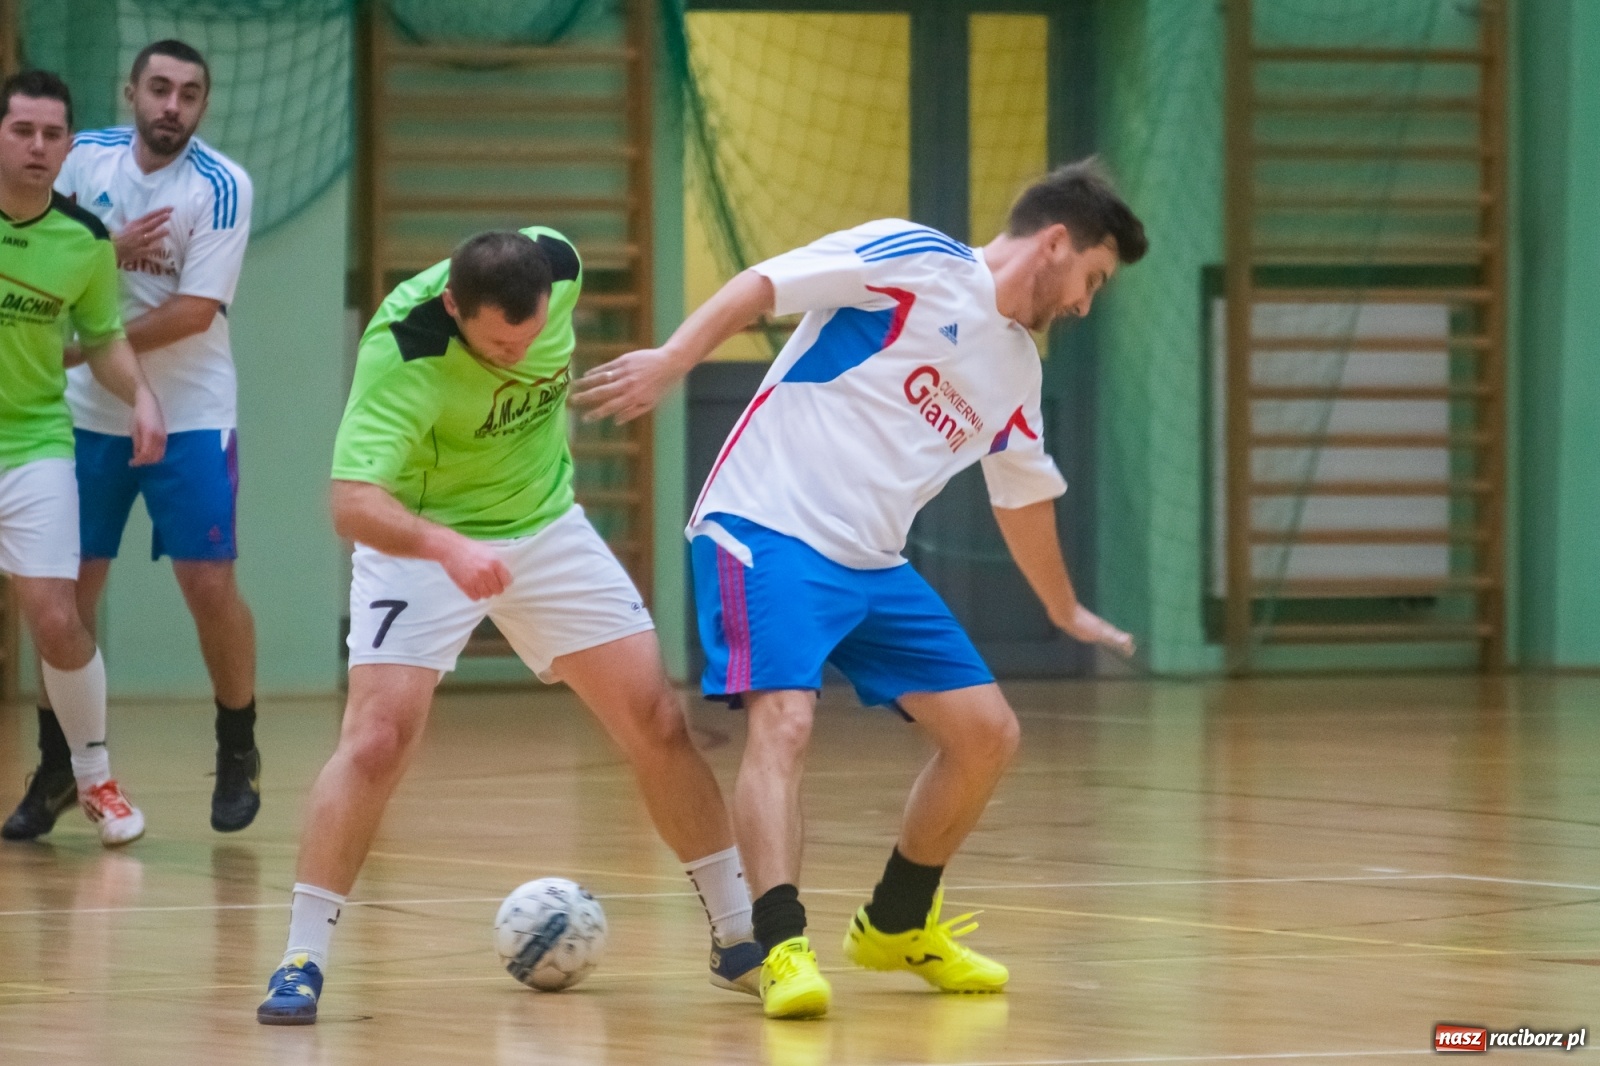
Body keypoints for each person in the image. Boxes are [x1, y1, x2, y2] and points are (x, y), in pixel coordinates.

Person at [572, 159, 1147, 1019]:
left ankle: (897, 923)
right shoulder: (915, 259)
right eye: (1092, 280)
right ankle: (781, 946)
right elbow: (764, 286)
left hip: (872, 561)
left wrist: (1063, 609)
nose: (1085, 305)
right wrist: (674, 358)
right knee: (785, 719)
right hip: (765, 524)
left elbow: (1023, 496)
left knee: (987, 734)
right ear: (1056, 243)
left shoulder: (1016, 369)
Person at [256, 228, 761, 1025]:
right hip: (424, 539)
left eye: (527, 343)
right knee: (377, 739)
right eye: (496, 347)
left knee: (658, 720)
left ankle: (739, 940)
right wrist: (446, 548)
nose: (514, 359)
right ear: (454, 306)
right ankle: (300, 959)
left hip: (545, 525)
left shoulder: (561, 261)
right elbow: (351, 505)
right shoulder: (404, 349)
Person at [42, 39, 260, 834]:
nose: (172, 105)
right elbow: (35, 253)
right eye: (160, 88)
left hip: (192, 413)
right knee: (64, 596)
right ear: (131, 90)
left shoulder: (222, 186)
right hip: (84, 415)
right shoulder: (78, 159)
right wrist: (107, 252)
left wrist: (85, 344)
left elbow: (194, 312)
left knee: (209, 587)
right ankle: (58, 767)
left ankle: (236, 746)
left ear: (202, 105)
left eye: (189, 94)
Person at [0, 70, 167, 847]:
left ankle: (93, 777)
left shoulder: (84, 240)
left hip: (33, 445)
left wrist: (142, 396)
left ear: (68, 145)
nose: (37, 146)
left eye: (51, 134)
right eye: (22, 131)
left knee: (57, 618)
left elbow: (102, 340)